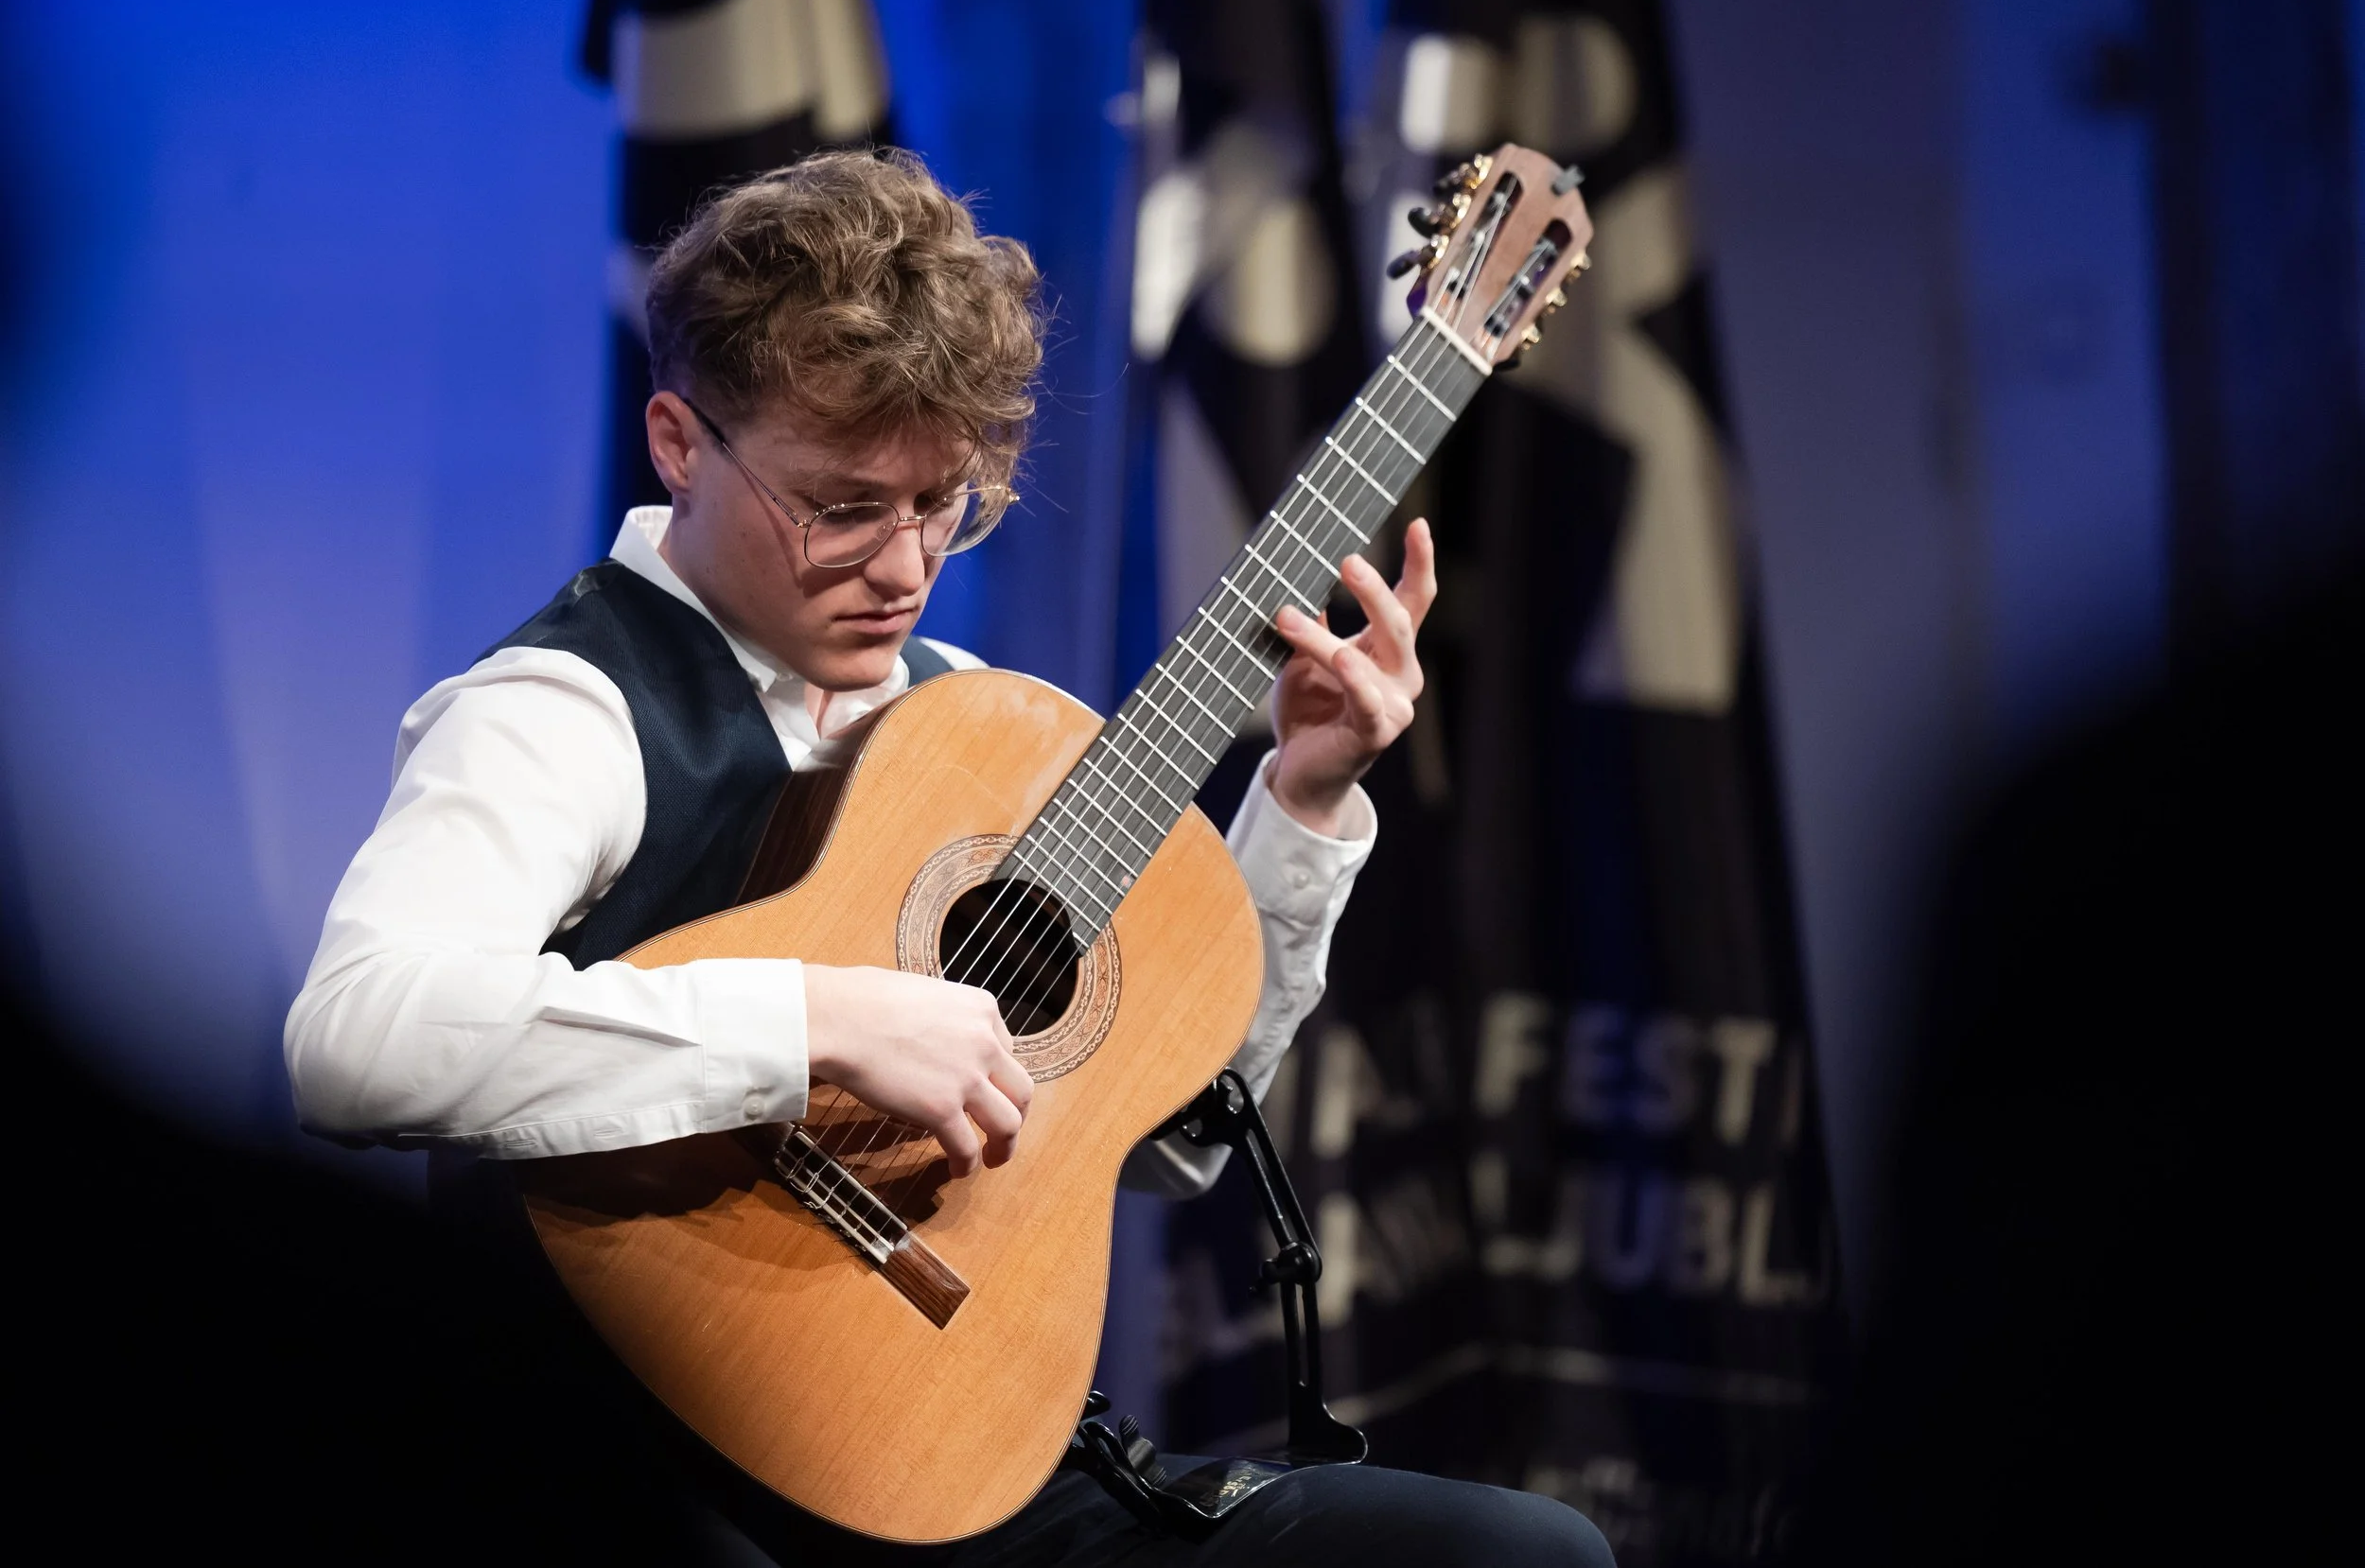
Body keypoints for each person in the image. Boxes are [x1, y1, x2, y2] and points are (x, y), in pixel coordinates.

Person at [286, 148, 1609, 1567]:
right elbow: (357, 1042)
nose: (907, 566)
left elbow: (1168, 1144)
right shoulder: (565, 709)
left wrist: (1303, 794)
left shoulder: (964, 713)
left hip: (957, 1463)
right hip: (628, 1455)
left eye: (946, 502)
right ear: (678, 441)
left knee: (1521, 1554)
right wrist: (819, 1023)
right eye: (842, 505)